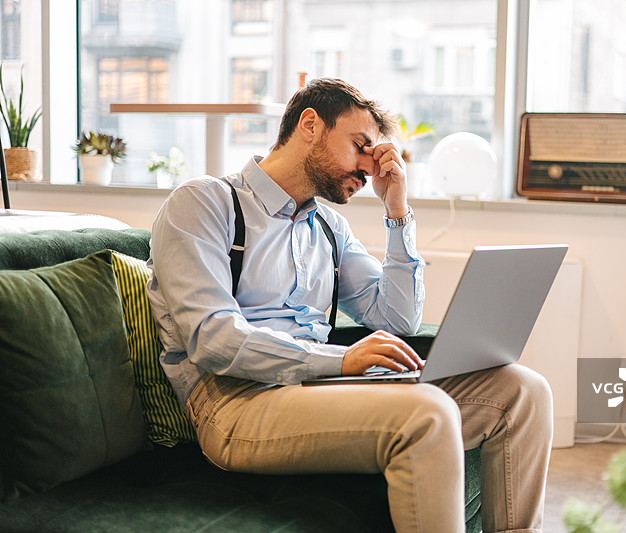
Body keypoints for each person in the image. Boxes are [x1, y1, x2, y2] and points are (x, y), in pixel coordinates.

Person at [146, 77, 553, 533]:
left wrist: (397, 211)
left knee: (522, 392)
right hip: (235, 402)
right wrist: (342, 360)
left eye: (375, 155)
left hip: (317, 391)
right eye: (361, 146)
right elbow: (212, 339)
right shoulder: (205, 202)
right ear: (310, 125)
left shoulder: (329, 228)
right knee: (428, 411)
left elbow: (397, 318)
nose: (368, 169)